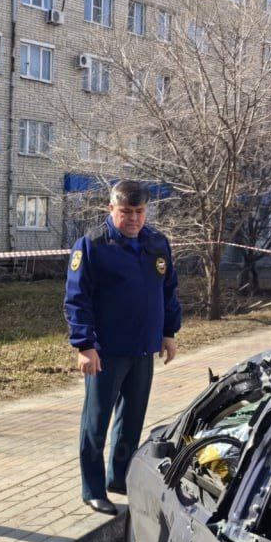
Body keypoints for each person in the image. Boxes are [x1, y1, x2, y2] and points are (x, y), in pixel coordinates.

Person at [65, 181, 182, 515]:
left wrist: (169, 332)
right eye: (126, 212)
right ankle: (93, 487)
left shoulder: (156, 243)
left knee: (132, 418)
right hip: (106, 351)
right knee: (96, 421)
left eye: (140, 212)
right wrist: (85, 345)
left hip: (143, 348)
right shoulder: (92, 245)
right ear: (111, 209)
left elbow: (168, 289)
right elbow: (77, 299)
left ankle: (120, 478)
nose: (133, 219)